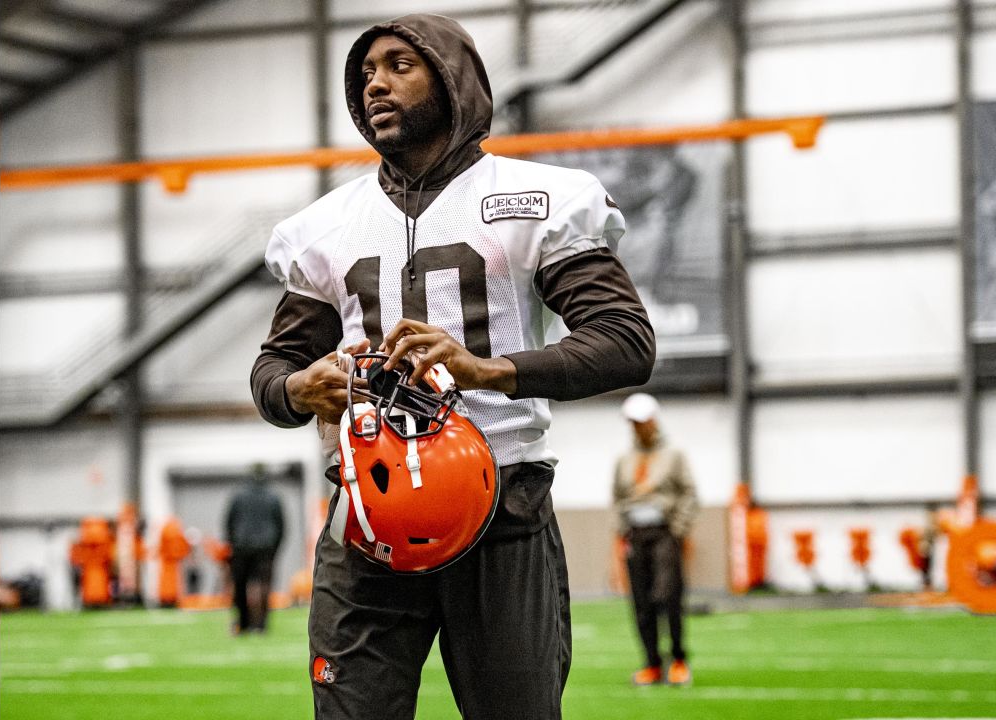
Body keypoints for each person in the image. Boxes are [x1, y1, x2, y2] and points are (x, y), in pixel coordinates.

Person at [249, 14, 654, 719]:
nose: (376, 80)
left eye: (400, 64)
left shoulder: (538, 200)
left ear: (453, 78)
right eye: (367, 69)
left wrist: (487, 371)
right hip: (367, 511)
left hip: (501, 501)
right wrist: (296, 388)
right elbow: (273, 368)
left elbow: (625, 340)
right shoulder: (325, 225)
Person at [612, 393, 697, 686]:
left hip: (664, 533)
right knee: (641, 602)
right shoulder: (624, 460)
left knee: (667, 596)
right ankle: (651, 663)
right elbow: (617, 498)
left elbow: (689, 493)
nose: (636, 428)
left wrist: (677, 530)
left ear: (653, 421)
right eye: (632, 423)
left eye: (641, 422)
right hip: (635, 535)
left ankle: (678, 660)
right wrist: (621, 532)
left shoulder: (674, 456)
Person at [224, 463, 285, 634]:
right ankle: (261, 625)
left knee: (241, 585)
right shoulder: (274, 496)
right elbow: (281, 525)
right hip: (266, 546)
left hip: (241, 545)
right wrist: (275, 547)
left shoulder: (238, 495)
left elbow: (229, 521)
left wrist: (232, 543)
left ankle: (243, 623)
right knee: (264, 584)